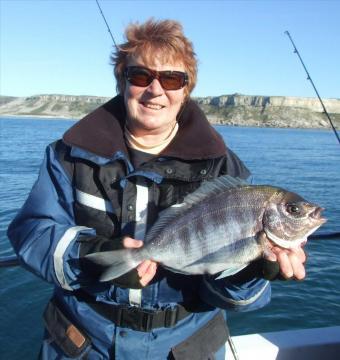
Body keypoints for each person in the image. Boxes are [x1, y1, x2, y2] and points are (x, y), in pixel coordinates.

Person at [7, 19, 306, 359]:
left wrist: (252, 269)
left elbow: (230, 297)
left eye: (172, 79)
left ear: (186, 89)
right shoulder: (68, 155)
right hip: (83, 343)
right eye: (140, 76)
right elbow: (31, 232)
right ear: (123, 82)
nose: (155, 90)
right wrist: (94, 255)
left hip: (186, 347)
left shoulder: (224, 169)